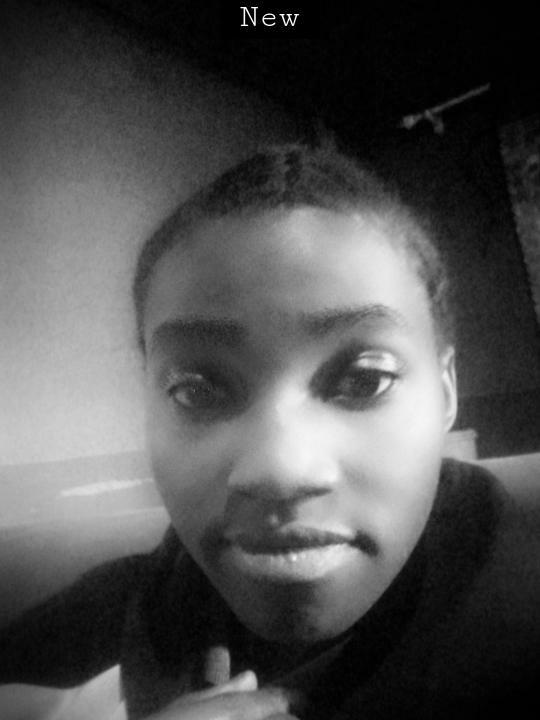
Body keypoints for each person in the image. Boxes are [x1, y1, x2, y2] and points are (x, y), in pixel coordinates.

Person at [1, 144, 539, 719]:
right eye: (196, 391)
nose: (281, 471)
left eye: (364, 381)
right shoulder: (113, 617)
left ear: (447, 391)